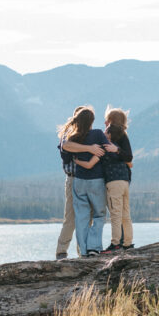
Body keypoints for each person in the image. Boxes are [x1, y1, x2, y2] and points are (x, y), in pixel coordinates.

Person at [55, 106, 107, 259]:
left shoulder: (87, 134)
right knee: (71, 217)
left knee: (86, 216)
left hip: (86, 179)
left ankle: (82, 251)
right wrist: (90, 148)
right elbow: (66, 145)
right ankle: (62, 251)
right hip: (73, 179)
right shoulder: (70, 135)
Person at [80, 106, 134, 253]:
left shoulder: (106, 144)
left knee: (115, 214)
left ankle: (115, 244)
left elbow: (92, 163)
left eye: (107, 122)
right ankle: (128, 243)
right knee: (125, 214)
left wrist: (78, 160)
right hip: (124, 181)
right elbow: (129, 159)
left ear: (110, 124)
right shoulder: (123, 138)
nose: (104, 126)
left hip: (113, 182)